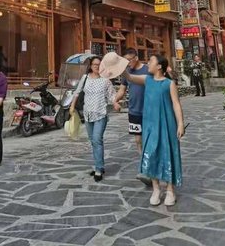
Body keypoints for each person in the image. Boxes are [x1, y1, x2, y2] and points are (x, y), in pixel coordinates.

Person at [124, 54, 185, 206]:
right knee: (150, 154)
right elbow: (130, 78)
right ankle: (156, 189)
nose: (147, 63)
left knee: (167, 153)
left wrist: (180, 123)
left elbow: (176, 104)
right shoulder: (147, 79)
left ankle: (170, 190)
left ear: (159, 66)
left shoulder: (169, 84)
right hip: (150, 124)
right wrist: (118, 66)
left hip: (167, 123)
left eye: (151, 61)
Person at [70, 52, 127, 182]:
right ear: (90, 66)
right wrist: (72, 106)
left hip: (100, 113)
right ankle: (98, 166)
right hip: (88, 114)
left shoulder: (105, 80)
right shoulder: (85, 78)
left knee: (97, 140)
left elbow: (111, 95)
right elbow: (77, 92)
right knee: (93, 141)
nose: (96, 66)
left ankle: (98, 168)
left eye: (99, 64)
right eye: (94, 64)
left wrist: (115, 103)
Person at [114, 48, 151, 186]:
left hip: (148, 111)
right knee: (138, 140)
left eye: (128, 60)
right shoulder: (127, 72)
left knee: (149, 139)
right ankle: (144, 165)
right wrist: (115, 101)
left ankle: (149, 168)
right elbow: (122, 89)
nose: (127, 63)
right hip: (134, 111)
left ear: (135, 58)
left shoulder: (148, 70)